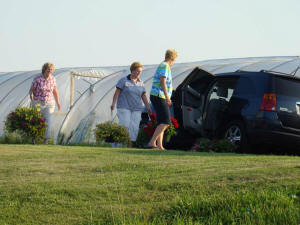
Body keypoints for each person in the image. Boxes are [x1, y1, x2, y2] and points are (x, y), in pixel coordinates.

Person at [111, 62, 151, 147]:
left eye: (140, 71)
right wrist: (113, 104)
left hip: (137, 108)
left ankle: (130, 145)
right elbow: (117, 92)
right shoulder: (124, 80)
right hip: (124, 106)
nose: (139, 73)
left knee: (134, 127)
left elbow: (143, 96)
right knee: (124, 124)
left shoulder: (141, 82)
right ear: (132, 70)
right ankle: (116, 144)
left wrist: (148, 107)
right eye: (137, 71)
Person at [148, 49, 178, 150]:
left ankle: (160, 145)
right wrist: (167, 97)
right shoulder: (165, 66)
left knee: (162, 121)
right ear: (173, 58)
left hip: (158, 95)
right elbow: (162, 82)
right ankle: (152, 142)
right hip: (159, 95)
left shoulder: (164, 66)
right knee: (166, 121)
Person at [29, 62, 61, 144]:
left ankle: (45, 141)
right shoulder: (37, 78)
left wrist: (58, 103)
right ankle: (33, 139)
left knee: (48, 121)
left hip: (49, 103)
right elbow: (31, 90)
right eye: (48, 70)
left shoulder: (53, 79)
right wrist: (32, 99)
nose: (50, 71)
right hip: (38, 102)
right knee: (36, 120)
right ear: (44, 69)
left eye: (51, 70)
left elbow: (55, 91)